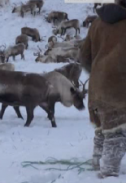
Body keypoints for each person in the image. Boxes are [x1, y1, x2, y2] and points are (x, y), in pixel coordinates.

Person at [79, 1, 126, 178]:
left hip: (97, 88)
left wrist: (100, 73)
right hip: (120, 89)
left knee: (102, 129)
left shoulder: (97, 23)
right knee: (116, 131)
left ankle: (97, 163)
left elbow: (84, 57)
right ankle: (108, 173)